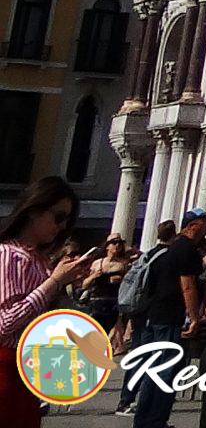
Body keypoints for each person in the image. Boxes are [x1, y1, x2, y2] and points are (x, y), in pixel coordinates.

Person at [0, 176, 103, 428]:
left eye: (66, 220)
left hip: (27, 368)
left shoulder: (38, 260)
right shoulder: (9, 256)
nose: (61, 226)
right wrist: (54, 282)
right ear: (34, 211)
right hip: (5, 367)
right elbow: (5, 322)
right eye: (58, 217)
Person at [131, 205, 206, 428]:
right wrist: (194, 316)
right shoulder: (187, 250)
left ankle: (145, 419)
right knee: (166, 370)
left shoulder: (173, 247)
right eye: (205, 222)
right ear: (193, 225)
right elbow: (188, 286)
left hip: (156, 315)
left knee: (155, 369)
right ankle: (155, 419)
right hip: (170, 317)